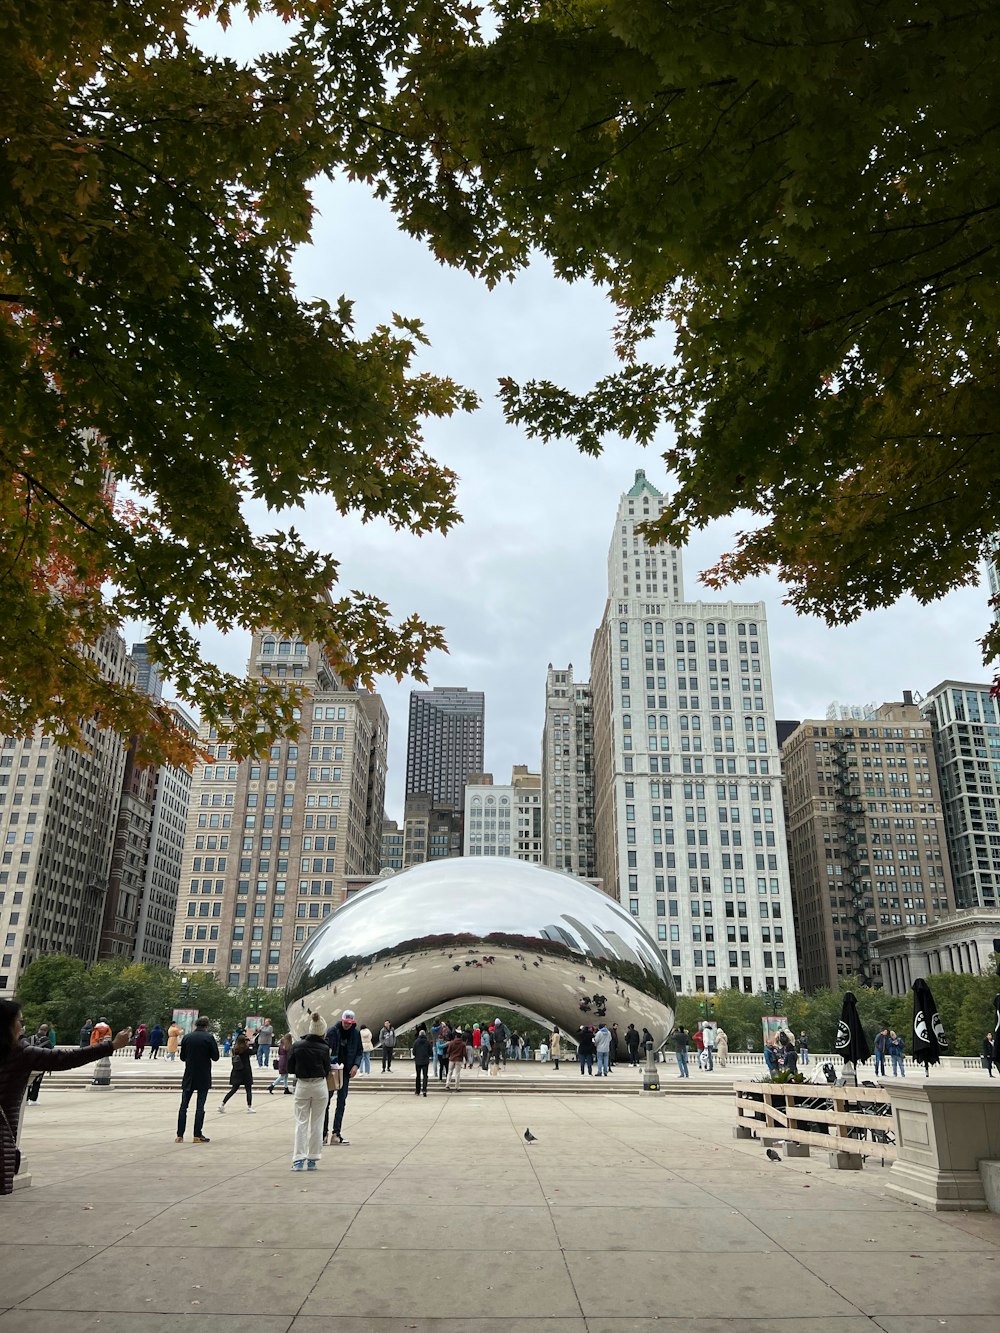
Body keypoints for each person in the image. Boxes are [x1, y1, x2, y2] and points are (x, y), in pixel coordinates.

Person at [0, 999, 131, 1194]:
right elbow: (65, 1058)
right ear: (7, 1025)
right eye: (20, 1021)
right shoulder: (20, 1054)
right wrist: (111, 1046)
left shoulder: (21, 1052)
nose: (22, 1026)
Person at [287, 1012, 331, 1171]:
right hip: (319, 1085)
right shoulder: (325, 1047)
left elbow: (290, 1068)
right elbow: (327, 1069)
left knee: (301, 1122)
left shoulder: (297, 1046)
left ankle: (298, 1159)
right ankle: (313, 1159)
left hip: (303, 1085)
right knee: (317, 1123)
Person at [176, 1015, 220, 1143]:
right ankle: (197, 1134)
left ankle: (180, 1134)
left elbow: (183, 1057)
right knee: (200, 1106)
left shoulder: (187, 1037)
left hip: (189, 1074)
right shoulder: (209, 1038)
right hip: (203, 1074)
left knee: (183, 1106)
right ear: (206, 1026)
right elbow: (215, 1057)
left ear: (196, 1025)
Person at [324, 1009, 362, 1145]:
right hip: (332, 1070)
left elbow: (359, 1051)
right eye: (345, 1023)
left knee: (341, 1102)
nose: (347, 1025)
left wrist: (356, 1066)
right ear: (342, 1021)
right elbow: (325, 1050)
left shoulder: (356, 1034)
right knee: (326, 1101)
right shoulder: (332, 1031)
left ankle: (336, 1133)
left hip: (345, 1071)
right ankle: (323, 1133)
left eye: (350, 1023)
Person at [219, 1034, 255, 1113]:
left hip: (237, 1070)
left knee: (233, 1089)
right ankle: (249, 1107)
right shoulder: (246, 1049)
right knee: (248, 1090)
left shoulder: (235, 1049)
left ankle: (222, 1104)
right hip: (246, 1071)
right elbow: (254, 1051)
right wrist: (252, 1044)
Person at [412, 1025, 430, 1096]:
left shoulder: (416, 1042)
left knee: (418, 1076)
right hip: (425, 1061)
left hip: (418, 1061)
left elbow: (413, 1052)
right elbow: (430, 1052)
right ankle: (424, 1090)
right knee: (425, 1076)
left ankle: (417, 1091)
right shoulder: (427, 1042)